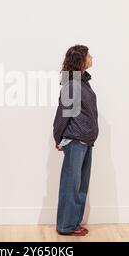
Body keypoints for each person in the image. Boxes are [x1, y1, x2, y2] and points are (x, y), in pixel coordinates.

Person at [53, 45, 99, 236]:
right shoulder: (73, 84)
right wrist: (58, 137)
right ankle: (65, 226)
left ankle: (73, 223)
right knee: (71, 186)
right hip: (75, 141)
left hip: (85, 140)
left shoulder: (83, 82)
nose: (91, 57)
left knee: (80, 186)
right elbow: (63, 115)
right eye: (88, 55)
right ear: (81, 60)